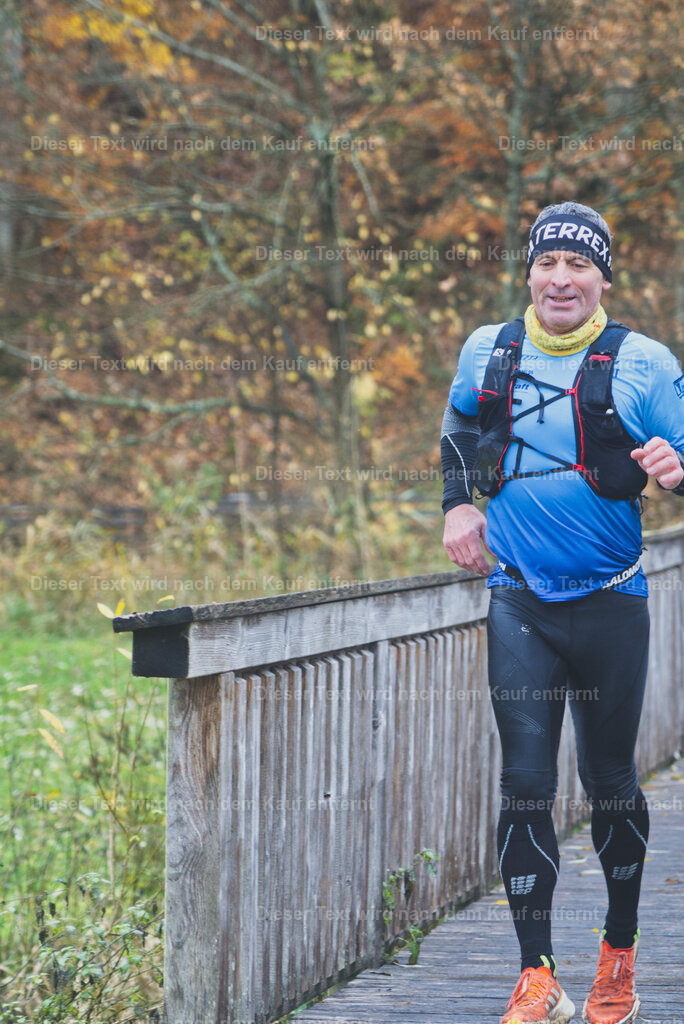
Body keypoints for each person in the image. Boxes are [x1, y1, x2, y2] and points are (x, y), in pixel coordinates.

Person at [440, 201, 684, 1024]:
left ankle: (618, 953)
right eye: (547, 262)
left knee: (609, 783)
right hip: (519, 599)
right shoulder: (489, 348)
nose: (561, 278)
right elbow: (458, 422)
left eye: (580, 264)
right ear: (530, 272)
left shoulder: (645, 364)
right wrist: (457, 505)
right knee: (524, 783)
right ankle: (536, 974)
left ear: (604, 278)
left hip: (612, 600)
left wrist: (677, 470)